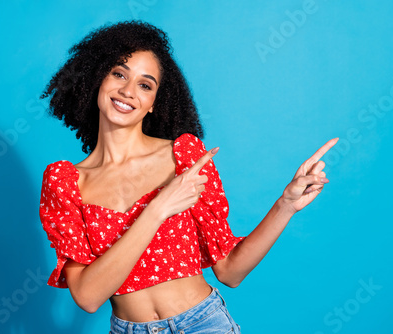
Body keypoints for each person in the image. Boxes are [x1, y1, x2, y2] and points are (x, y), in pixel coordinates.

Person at [38, 21, 338, 334]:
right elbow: (87, 296)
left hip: (203, 324)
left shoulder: (184, 156)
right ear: (98, 77)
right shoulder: (65, 181)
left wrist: (286, 205)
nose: (128, 91)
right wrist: (157, 210)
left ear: (154, 102)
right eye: (119, 74)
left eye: (145, 84)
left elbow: (230, 271)